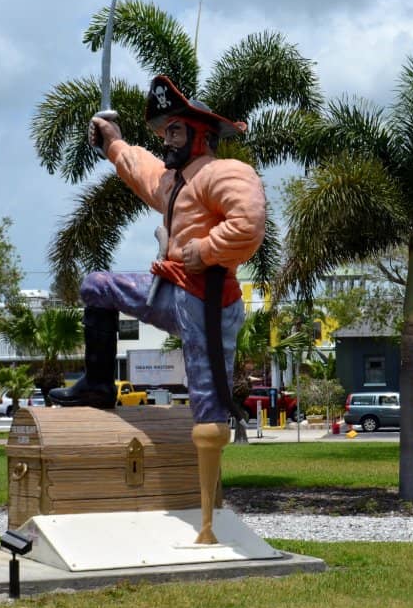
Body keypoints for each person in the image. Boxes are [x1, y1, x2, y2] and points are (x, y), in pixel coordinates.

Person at [49, 75, 266, 543]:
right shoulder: (174, 182)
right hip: (168, 292)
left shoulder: (225, 173)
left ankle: (207, 525)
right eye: (165, 132)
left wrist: (206, 248)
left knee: (208, 411)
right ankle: (99, 386)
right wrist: (113, 142)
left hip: (209, 301)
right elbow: (141, 168)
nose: (166, 139)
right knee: (96, 287)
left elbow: (248, 224)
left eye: (176, 131)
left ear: (201, 136)